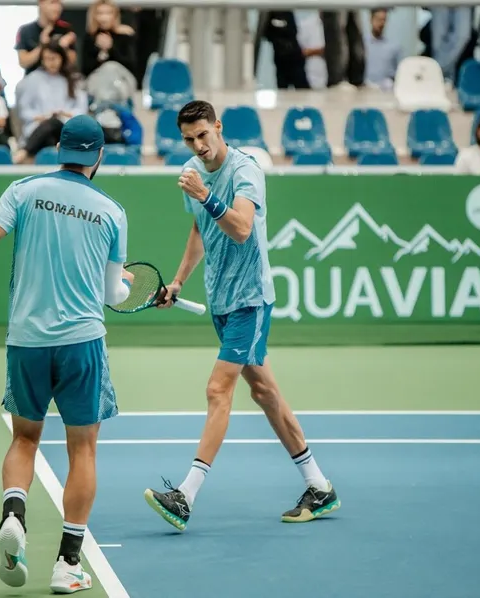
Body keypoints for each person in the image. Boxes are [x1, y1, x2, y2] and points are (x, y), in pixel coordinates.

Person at [0, 114, 133, 593]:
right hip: (81, 344)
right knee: (83, 448)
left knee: (24, 439)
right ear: (99, 156)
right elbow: (112, 295)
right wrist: (123, 283)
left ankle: (14, 514)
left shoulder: (23, 190)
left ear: (58, 150)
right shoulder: (112, 212)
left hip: (27, 342)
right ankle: (68, 565)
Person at [142, 100, 340, 531]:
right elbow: (200, 228)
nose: (198, 146)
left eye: (203, 135)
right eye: (189, 140)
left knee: (218, 390)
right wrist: (178, 282)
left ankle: (185, 495)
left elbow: (241, 228)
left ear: (218, 127)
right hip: (221, 301)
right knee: (265, 393)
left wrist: (205, 194)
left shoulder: (245, 170)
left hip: (250, 299)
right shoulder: (192, 172)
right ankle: (319, 485)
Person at [14, 43, 89, 164]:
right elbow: (24, 110)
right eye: (47, 59)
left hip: (66, 127)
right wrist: (39, 117)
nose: (51, 63)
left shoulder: (74, 79)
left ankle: (25, 151)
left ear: (61, 58)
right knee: (49, 133)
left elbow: (81, 110)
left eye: (54, 58)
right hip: (39, 126)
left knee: (54, 122)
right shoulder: (32, 79)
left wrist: (65, 113)